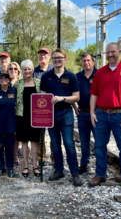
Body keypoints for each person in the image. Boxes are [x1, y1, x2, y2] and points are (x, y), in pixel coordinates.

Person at [88, 42, 121, 194]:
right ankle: (100, 174)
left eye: (113, 52)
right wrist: (92, 112)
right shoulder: (100, 72)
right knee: (99, 146)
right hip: (102, 114)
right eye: (108, 52)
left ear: (119, 51)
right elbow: (94, 94)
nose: (110, 55)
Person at [40, 48, 82, 186]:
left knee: (69, 144)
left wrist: (62, 98)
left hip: (66, 112)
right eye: (54, 58)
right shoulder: (46, 77)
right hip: (50, 114)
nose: (57, 60)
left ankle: (75, 173)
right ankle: (59, 170)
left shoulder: (71, 76)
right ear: (52, 60)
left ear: (65, 59)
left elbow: (76, 97)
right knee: (55, 144)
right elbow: (42, 96)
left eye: (59, 57)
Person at [13, 59, 41, 178]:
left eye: (29, 69)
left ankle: (35, 165)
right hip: (22, 116)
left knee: (35, 142)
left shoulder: (39, 83)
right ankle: (25, 166)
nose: (27, 71)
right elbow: (12, 99)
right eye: (25, 69)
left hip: (36, 116)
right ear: (22, 71)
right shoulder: (17, 84)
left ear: (33, 70)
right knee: (24, 141)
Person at [72, 52, 97, 174]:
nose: (86, 63)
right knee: (84, 141)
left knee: (99, 141)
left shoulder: (99, 75)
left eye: (88, 60)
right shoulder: (77, 76)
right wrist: (74, 106)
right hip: (82, 113)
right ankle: (84, 163)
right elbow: (70, 92)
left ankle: (100, 166)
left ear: (93, 61)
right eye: (84, 61)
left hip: (97, 114)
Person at [33, 47, 55, 166]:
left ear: (49, 57)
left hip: (53, 107)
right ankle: (41, 157)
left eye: (45, 55)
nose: (42, 57)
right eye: (40, 55)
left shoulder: (54, 69)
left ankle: (54, 157)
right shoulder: (34, 72)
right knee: (40, 135)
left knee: (54, 135)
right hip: (39, 108)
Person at [8, 62, 22, 165]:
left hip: (18, 112)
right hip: (7, 113)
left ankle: (15, 155)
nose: (13, 70)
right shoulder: (4, 82)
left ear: (18, 71)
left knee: (17, 135)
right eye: (11, 69)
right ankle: (7, 155)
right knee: (7, 134)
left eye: (15, 69)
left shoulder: (22, 82)